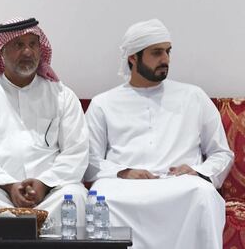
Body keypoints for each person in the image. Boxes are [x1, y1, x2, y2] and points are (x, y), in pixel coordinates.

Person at [85, 19, 233, 249]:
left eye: (168, 51)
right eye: (157, 53)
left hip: (181, 187)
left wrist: (199, 171)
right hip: (123, 189)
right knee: (99, 197)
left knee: (202, 194)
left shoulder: (193, 96)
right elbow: (89, 160)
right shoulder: (103, 103)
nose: (166, 59)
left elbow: (222, 153)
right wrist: (123, 172)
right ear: (133, 58)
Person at [0, 17, 89, 224]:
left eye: (33, 44)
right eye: (18, 45)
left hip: (51, 193)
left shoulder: (62, 95)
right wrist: (10, 185)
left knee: (75, 198)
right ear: (2, 52)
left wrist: (44, 184)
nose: (27, 52)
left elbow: (76, 152)